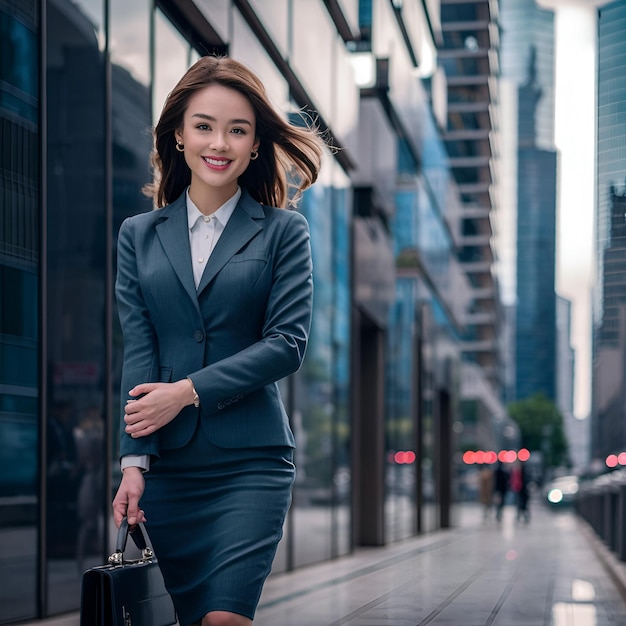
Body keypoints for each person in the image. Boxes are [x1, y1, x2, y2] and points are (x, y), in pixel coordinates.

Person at [112, 55, 326, 626]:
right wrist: (133, 462)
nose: (220, 143)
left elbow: (287, 344)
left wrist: (185, 391)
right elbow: (140, 349)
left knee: (224, 621)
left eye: (238, 129)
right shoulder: (138, 235)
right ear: (178, 134)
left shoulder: (284, 231)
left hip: (250, 462)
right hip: (170, 468)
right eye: (204, 125)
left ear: (256, 143)